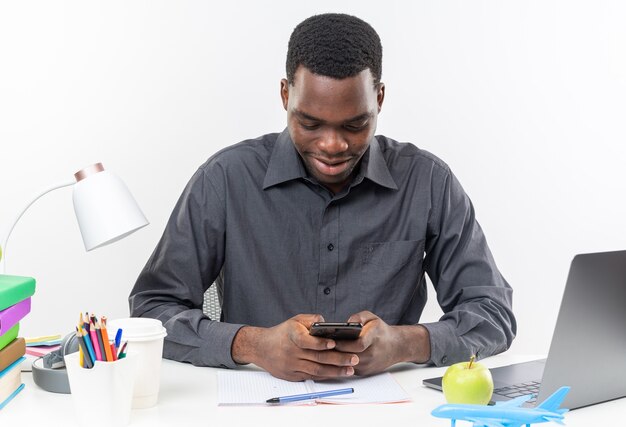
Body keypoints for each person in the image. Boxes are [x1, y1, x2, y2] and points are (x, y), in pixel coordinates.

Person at [129, 13, 516, 382]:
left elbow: (493, 313)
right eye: (310, 123)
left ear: (379, 99)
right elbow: (151, 310)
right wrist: (253, 345)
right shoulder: (226, 179)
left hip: (395, 410)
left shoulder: (428, 182)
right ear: (285, 95)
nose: (332, 145)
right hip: (256, 407)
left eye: (355, 124)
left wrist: (404, 343)